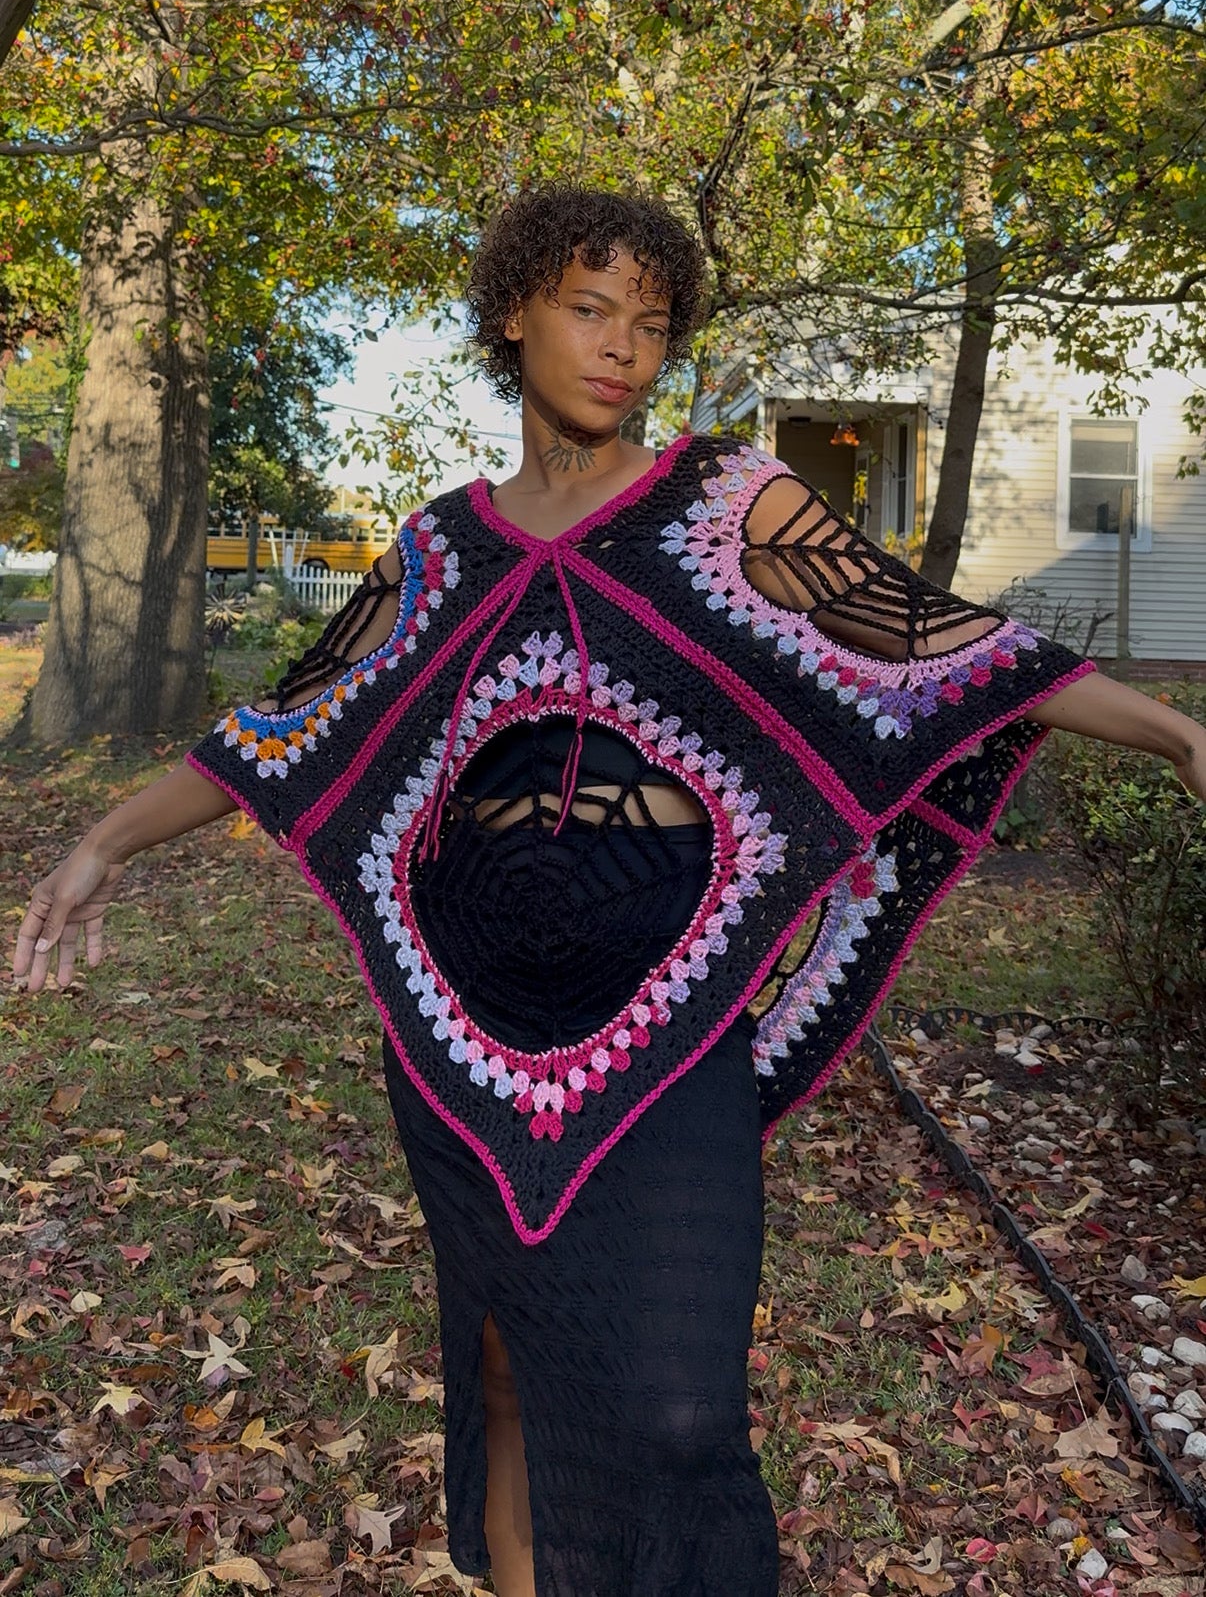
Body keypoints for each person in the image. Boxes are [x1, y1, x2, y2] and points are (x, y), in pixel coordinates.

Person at [11, 182, 1206, 1597]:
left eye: (648, 322)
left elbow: (942, 649)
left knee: (677, 1408)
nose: (620, 347)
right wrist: (105, 842)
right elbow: (286, 732)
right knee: (508, 1367)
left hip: (667, 1014)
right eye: (587, 309)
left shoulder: (726, 506)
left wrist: (1178, 732)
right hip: (461, 1030)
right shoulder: (440, 550)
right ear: (511, 314)